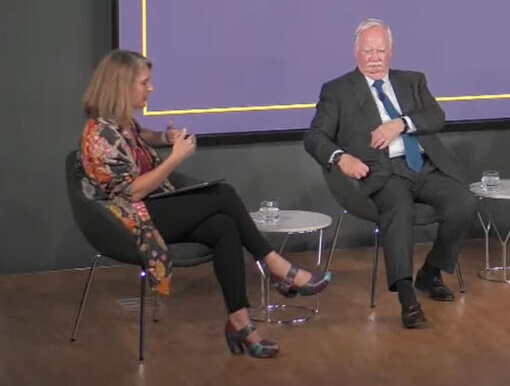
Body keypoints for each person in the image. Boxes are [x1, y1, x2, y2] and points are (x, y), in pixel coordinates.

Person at [78, 50, 331, 359]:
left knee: (224, 227)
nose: (151, 88)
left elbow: (140, 137)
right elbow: (132, 193)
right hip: (127, 220)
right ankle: (276, 266)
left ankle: (240, 323)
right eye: (145, 83)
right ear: (122, 85)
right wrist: (175, 159)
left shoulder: (119, 122)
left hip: (145, 208)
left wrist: (164, 137)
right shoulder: (99, 136)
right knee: (222, 194)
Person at [303, 19, 476, 329]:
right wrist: (340, 158)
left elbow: (436, 116)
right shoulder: (338, 90)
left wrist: (402, 123)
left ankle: (432, 271)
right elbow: (315, 136)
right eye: (368, 51)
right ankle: (407, 297)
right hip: (382, 172)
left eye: (381, 50)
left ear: (391, 52)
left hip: (423, 166)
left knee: (463, 202)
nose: (375, 57)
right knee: (399, 208)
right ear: (357, 53)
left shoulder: (412, 81)